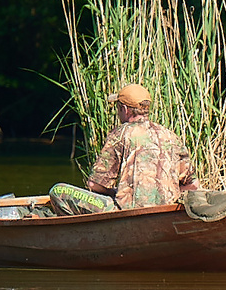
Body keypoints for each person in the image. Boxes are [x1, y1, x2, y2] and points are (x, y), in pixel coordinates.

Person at [49, 84, 198, 214]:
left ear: (125, 109)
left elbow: (94, 185)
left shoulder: (120, 134)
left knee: (59, 191)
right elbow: (193, 185)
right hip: (166, 210)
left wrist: (116, 192)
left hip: (129, 211)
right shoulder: (170, 136)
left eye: (118, 108)